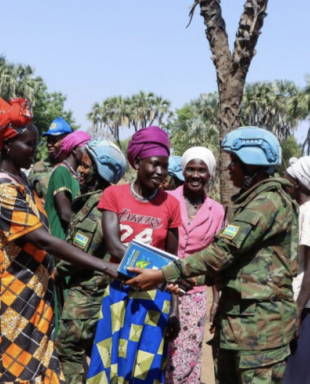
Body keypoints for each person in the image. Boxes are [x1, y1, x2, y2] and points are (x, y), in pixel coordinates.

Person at [0, 94, 118, 384]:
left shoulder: (21, 181)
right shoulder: (1, 188)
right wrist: (106, 266)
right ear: (8, 145)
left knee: (33, 366)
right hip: (5, 294)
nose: (36, 150)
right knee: (7, 368)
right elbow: (42, 240)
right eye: (29, 144)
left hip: (29, 292)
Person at [126, 126, 299, 384]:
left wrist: (161, 274)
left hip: (260, 332)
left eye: (234, 162)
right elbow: (238, 264)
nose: (229, 168)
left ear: (252, 165)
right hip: (241, 326)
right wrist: (193, 281)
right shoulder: (252, 201)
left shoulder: (268, 202)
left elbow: (222, 252)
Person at [86, 126, 181, 384]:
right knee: (109, 362)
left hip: (154, 297)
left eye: (165, 165)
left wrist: (174, 310)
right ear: (137, 162)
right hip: (118, 290)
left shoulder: (171, 204)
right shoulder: (114, 194)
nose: (161, 172)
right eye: (154, 164)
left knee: (145, 367)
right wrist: (152, 271)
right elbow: (115, 246)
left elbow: (173, 264)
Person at [55, 139, 127, 384]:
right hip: (93, 289)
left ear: (101, 171)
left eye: (86, 167)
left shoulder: (98, 205)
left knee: (68, 348)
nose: (80, 172)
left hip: (86, 293)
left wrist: (53, 270)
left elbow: (79, 251)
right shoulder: (99, 199)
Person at [165, 147, 224, 384]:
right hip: (162, 288)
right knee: (158, 354)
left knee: (185, 359)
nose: (196, 175)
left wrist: (217, 300)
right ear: (183, 170)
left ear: (209, 174)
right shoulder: (168, 200)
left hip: (193, 294)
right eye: (191, 169)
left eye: (202, 170)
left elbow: (219, 259)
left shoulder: (217, 211)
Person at [283, 156, 310, 384]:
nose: (283, 180)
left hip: (305, 306)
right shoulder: (300, 210)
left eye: (287, 176)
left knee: (297, 375)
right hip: (297, 303)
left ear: (298, 182)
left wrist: (297, 312)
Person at [44, 130, 91, 240]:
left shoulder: (74, 175)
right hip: (58, 240)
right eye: (86, 149)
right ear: (75, 150)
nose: (89, 154)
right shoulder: (61, 171)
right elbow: (65, 215)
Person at [28, 117, 73, 200]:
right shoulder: (37, 168)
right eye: (48, 140)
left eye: (54, 140)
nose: (49, 144)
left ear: (67, 140)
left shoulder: (76, 169)